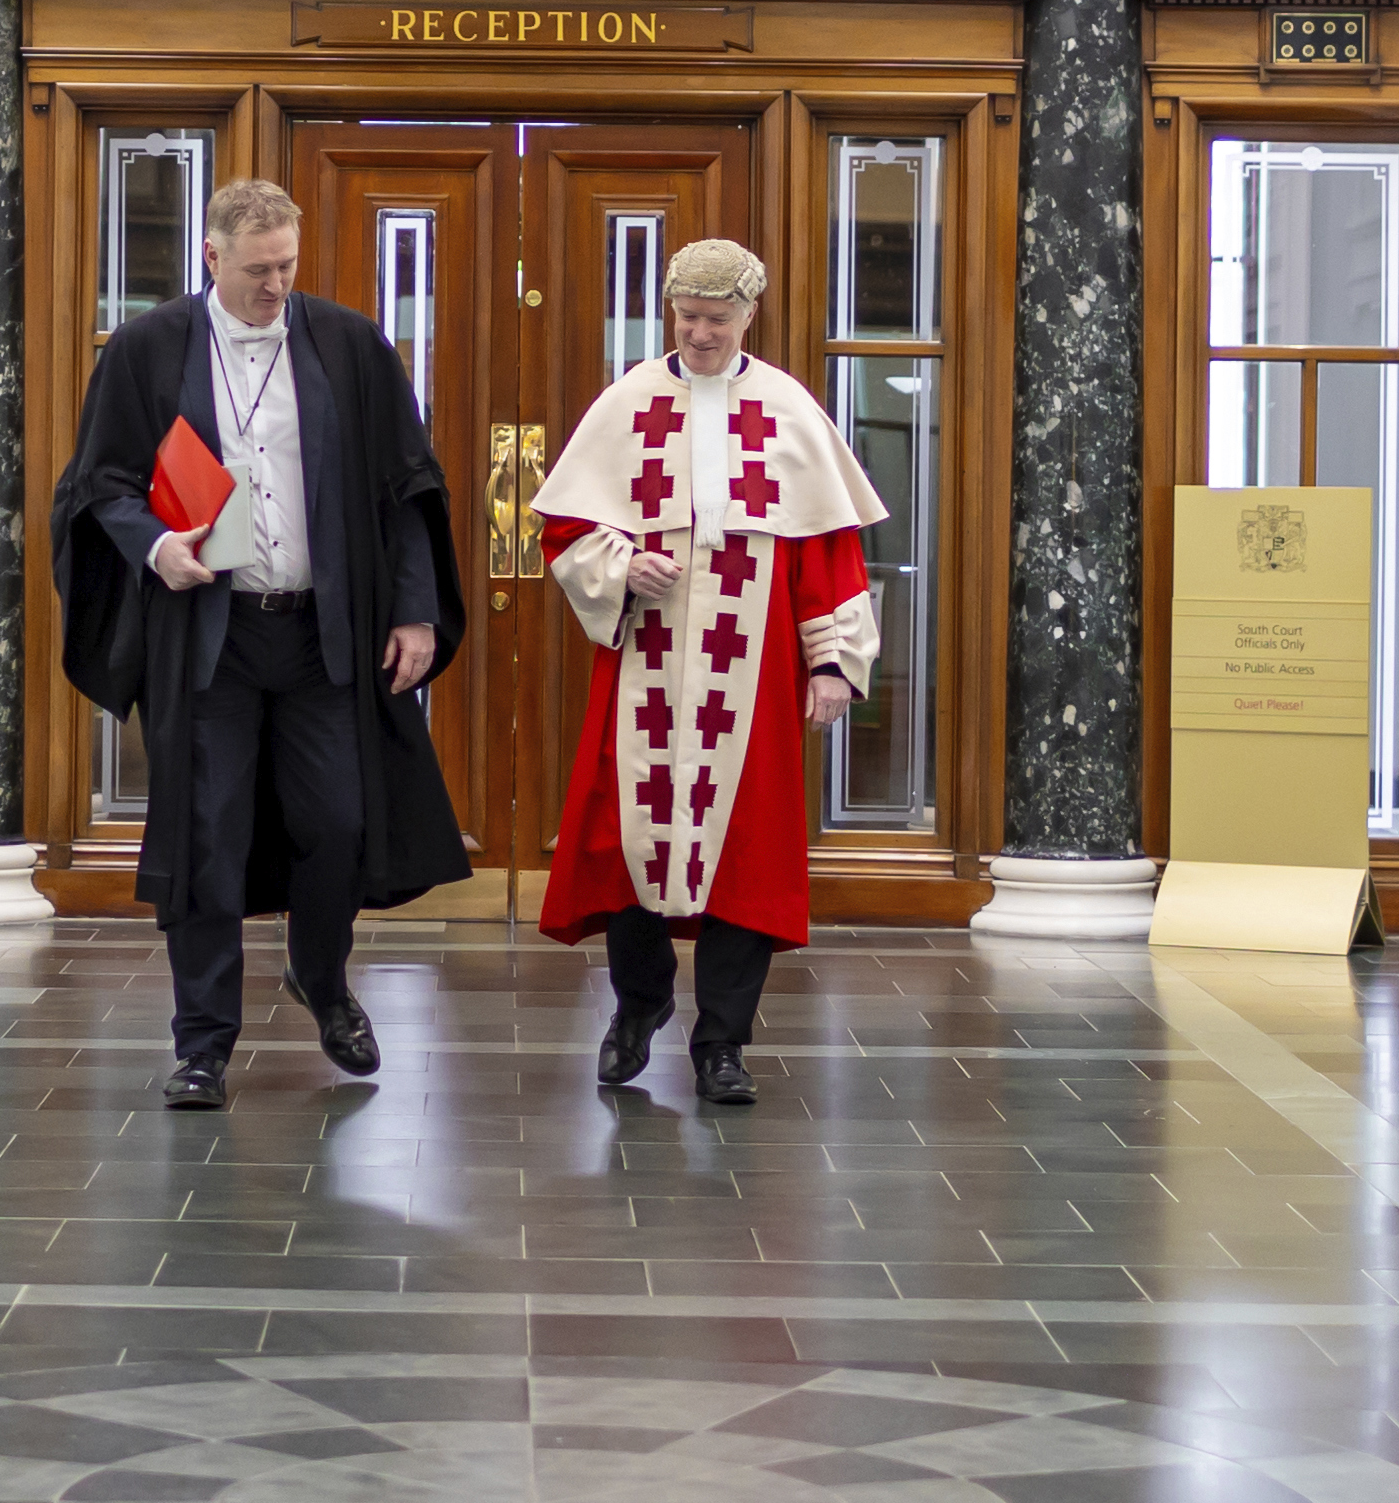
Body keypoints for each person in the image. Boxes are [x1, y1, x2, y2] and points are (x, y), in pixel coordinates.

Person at [49, 178, 466, 1106]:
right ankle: (202, 1045)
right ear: (211, 257)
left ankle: (321, 978)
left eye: (287, 265)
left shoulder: (350, 344)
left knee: (341, 824)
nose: (277, 285)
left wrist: (413, 610)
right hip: (211, 636)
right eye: (257, 270)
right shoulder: (149, 348)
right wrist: (157, 547)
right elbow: (100, 482)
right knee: (206, 836)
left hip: (323, 632)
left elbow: (406, 488)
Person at [530, 239, 884, 1106]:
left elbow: (827, 549)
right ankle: (637, 1007)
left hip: (753, 671)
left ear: (747, 317)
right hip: (646, 664)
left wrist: (831, 661)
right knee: (629, 846)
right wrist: (622, 564)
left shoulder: (788, 409)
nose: (699, 334)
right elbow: (566, 531)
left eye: (716, 320)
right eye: (686, 318)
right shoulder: (631, 402)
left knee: (747, 855)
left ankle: (722, 1043)